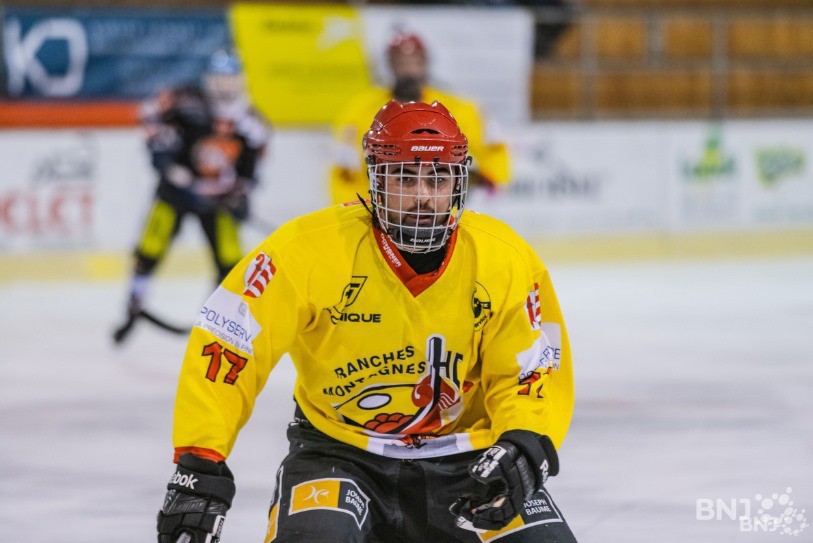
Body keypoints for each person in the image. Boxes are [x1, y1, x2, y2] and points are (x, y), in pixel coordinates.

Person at [157, 100, 576, 543]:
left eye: (438, 179)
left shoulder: (504, 258)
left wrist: (523, 442)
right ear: (375, 179)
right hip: (340, 453)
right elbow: (229, 344)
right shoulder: (306, 250)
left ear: (460, 181)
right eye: (403, 177)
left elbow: (531, 370)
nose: (422, 196)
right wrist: (200, 460)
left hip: (468, 457)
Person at [115, 50, 269, 340]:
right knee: (149, 249)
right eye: (219, 79)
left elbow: (251, 170)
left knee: (231, 264)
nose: (224, 86)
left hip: (217, 201)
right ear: (209, 80)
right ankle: (134, 304)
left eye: (230, 79)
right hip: (177, 193)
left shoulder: (251, 122)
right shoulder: (187, 101)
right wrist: (165, 159)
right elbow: (148, 114)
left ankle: (220, 317)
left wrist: (240, 195)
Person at [329, 32, 511, 205]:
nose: (408, 70)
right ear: (390, 65)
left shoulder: (459, 108)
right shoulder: (359, 110)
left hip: (442, 206)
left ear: (425, 63)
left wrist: (489, 184)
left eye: (414, 62)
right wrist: (357, 206)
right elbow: (345, 169)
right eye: (401, 63)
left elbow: (493, 148)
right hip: (381, 207)